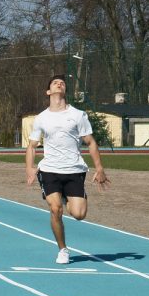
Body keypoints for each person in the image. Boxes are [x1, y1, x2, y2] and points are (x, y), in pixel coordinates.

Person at [25, 74, 111, 264]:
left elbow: (90, 142)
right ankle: (63, 249)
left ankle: (68, 196)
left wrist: (99, 168)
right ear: (49, 91)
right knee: (55, 209)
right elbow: (32, 146)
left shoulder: (78, 115)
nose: (59, 84)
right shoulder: (41, 118)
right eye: (55, 83)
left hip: (74, 170)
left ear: (65, 90)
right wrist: (30, 168)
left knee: (79, 214)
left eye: (62, 83)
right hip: (50, 170)